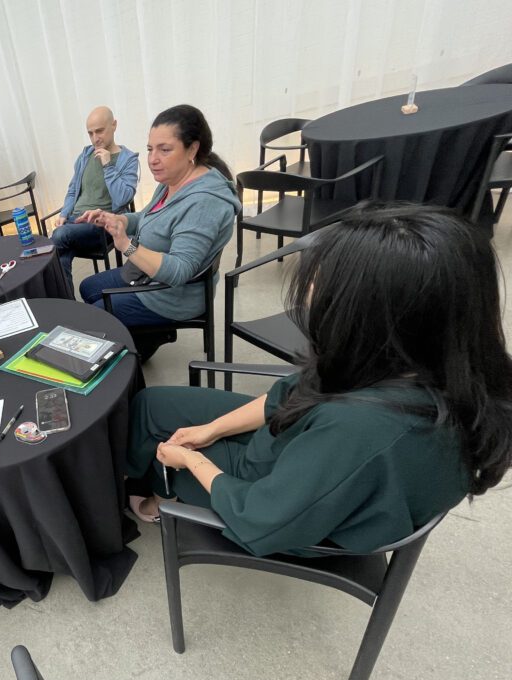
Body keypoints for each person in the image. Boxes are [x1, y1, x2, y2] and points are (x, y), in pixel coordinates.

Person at [124, 203, 512, 554]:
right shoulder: (418, 362)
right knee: (149, 404)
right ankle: (153, 476)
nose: (309, 298)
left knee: (154, 444)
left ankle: (160, 494)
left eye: (322, 292)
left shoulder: (362, 429)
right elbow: (291, 394)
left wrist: (191, 462)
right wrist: (211, 429)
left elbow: (263, 518)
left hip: (271, 496)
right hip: (298, 450)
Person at [77, 105, 240, 357]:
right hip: (146, 274)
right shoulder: (173, 180)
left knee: (96, 315)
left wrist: (127, 246)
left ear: (192, 149)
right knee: (88, 287)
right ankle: (145, 338)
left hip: (171, 295)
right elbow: (148, 217)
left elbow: (179, 271)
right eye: (150, 149)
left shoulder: (204, 202)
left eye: (165, 150)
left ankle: (141, 345)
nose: (153, 159)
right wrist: (119, 219)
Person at [50, 106, 140, 287]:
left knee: (56, 241)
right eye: (90, 133)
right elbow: (73, 190)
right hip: (73, 223)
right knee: (60, 256)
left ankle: (59, 304)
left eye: (99, 131)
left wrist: (108, 166)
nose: (95, 139)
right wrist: (63, 215)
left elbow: (123, 198)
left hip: (101, 224)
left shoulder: (128, 159)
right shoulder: (85, 156)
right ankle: (68, 304)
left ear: (114, 125)